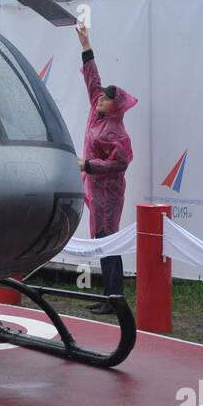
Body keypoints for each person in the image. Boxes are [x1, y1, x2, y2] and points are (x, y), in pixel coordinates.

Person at [76, 22, 137, 314]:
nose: (100, 97)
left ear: (116, 105)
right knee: (102, 242)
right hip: (96, 191)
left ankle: (114, 299)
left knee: (108, 242)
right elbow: (92, 79)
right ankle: (108, 296)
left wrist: (88, 164)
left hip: (109, 195)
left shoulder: (115, 130)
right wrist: (86, 45)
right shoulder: (95, 110)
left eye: (106, 97)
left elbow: (120, 162)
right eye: (100, 96)